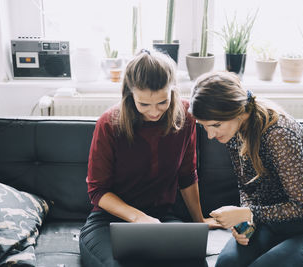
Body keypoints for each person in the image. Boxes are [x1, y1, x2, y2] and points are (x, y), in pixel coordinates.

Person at [189, 71, 303, 267]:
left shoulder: (278, 134)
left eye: (215, 125)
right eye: (204, 126)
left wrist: (248, 213)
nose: (210, 135)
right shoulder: (234, 132)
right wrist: (246, 224)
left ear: (237, 111)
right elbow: (247, 187)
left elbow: (302, 206)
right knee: (226, 264)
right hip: (272, 225)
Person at [79, 50, 219, 267]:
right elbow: (97, 191)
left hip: (162, 217)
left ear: (173, 90)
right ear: (129, 94)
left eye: (162, 102)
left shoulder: (185, 116)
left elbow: (186, 175)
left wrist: (199, 221)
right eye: (144, 104)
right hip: (109, 222)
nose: (154, 112)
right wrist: (138, 218)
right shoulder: (108, 124)